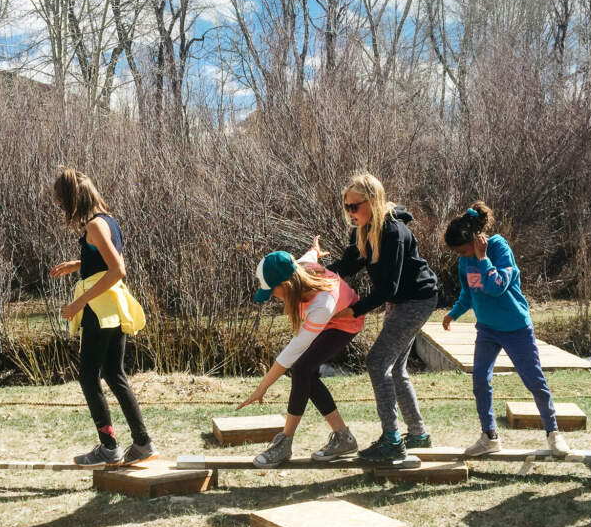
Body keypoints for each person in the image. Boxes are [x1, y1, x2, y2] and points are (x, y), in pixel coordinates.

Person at [320, 171, 439, 463]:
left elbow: (390, 287)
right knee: (395, 368)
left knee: (376, 362)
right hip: (399, 301)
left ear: (372, 201)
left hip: (417, 300)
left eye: (354, 206)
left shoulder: (393, 232)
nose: (350, 213)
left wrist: (355, 309)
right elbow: (348, 265)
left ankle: (392, 440)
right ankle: (418, 434)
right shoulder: (362, 229)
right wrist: (316, 273)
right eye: (346, 207)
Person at [49, 166, 157, 469]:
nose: (61, 208)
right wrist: (75, 265)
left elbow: (117, 269)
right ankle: (143, 443)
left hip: (99, 311)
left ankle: (109, 447)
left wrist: (78, 303)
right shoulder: (108, 221)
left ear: (74, 199)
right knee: (114, 374)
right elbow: (104, 260)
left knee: (88, 376)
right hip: (113, 308)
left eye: (61, 202)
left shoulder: (95, 226)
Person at [442, 202, 569, 457]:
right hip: (487, 329)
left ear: (476, 241)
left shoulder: (498, 248)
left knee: (534, 381)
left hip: (515, 328)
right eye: (459, 253)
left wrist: (482, 257)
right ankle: (489, 436)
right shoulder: (464, 262)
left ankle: (554, 433)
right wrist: (453, 314)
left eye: (464, 251)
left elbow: (496, 286)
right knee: (480, 380)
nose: (462, 257)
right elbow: (468, 294)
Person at [237, 247, 367, 468]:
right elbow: (307, 257)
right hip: (330, 317)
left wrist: (262, 388)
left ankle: (285, 442)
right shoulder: (300, 268)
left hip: (344, 323)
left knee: (301, 369)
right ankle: (343, 437)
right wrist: (315, 249)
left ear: (286, 286)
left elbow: (291, 353)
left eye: (272, 293)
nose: (273, 299)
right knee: (305, 372)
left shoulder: (321, 305)